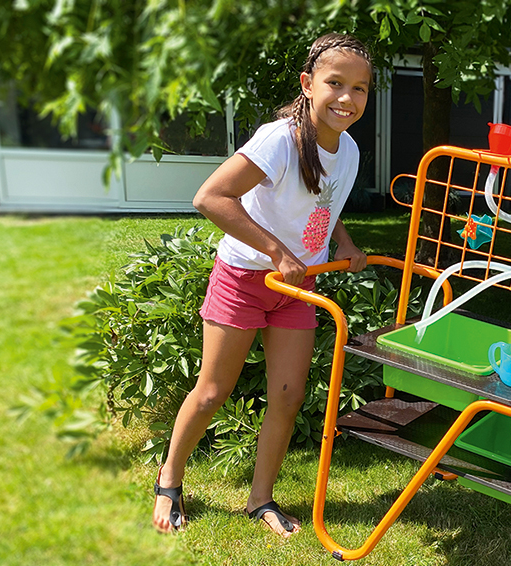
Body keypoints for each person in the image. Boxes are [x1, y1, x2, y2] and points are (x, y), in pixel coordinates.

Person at [152, 32, 371, 537]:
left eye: (359, 89)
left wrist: (344, 242)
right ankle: (169, 480)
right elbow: (210, 198)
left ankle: (260, 500)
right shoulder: (280, 139)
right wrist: (278, 251)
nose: (346, 98)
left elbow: (324, 203)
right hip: (245, 277)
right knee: (212, 391)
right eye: (335, 83)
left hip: (297, 287)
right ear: (307, 83)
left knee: (288, 395)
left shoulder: (351, 149)